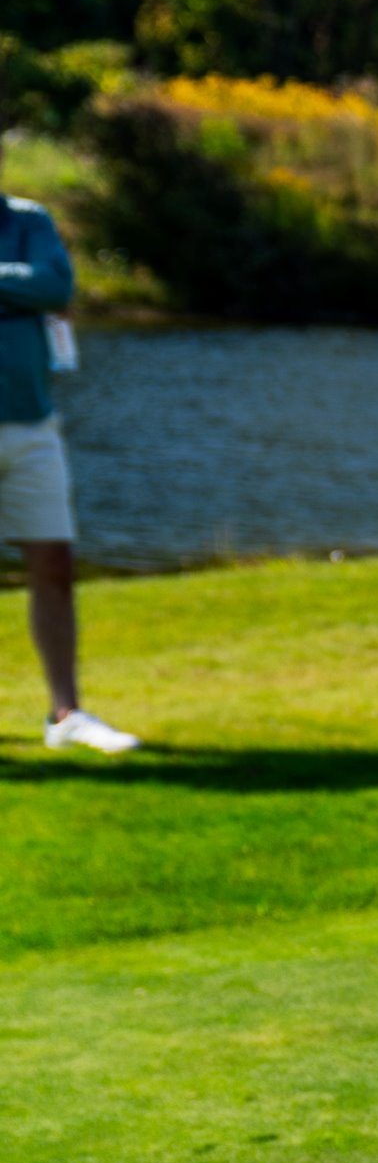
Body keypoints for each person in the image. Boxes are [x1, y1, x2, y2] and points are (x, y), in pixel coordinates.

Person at [0, 138, 136, 753]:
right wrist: (16, 288)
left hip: (33, 425)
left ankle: (66, 714)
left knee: (54, 567)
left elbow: (56, 285)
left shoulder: (29, 220)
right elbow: (35, 287)